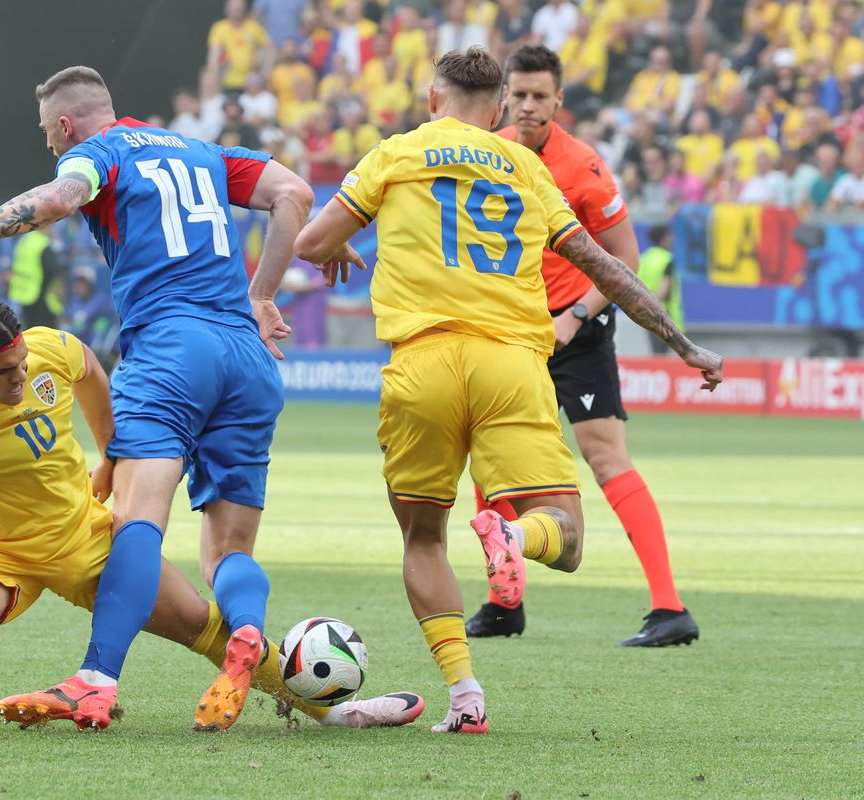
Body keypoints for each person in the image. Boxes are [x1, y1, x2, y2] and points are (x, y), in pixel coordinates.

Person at [0, 292, 424, 737]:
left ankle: (338, 712)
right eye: (4, 374)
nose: (20, 380)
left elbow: (90, 373)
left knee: (211, 631)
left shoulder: (45, 348)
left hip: (92, 544)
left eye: (21, 364)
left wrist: (111, 451)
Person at [293, 46, 722, 733]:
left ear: (434, 99)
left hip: (422, 363)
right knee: (570, 536)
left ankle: (466, 696)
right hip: (512, 365)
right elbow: (606, 268)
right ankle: (515, 538)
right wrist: (683, 343)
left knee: (423, 539)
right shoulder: (527, 165)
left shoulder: (396, 152)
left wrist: (334, 246)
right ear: (497, 110)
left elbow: (309, 241)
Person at [0, 65, 320, 732]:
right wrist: (261, 294)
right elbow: (294, 192)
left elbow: (59, 199)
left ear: (66, 125)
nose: (49, 146)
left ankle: (95, 678)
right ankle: (245, 630)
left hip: (172, 351)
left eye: (47, 135)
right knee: (228, 550)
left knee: (136, 521)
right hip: (247, 355)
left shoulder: (101, 152)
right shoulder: (202, 151)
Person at [466, 44, 703, 647]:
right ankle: (504, 601)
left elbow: (624, 261)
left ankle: (669, 608)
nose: (526, 106)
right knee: (487, 458)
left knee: (605, 458)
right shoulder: (485, 154)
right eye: (516, 95)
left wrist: (573, 316)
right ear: (502, 98)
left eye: (539, 96)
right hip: (512, 331)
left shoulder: (584, 167)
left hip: (576, 331)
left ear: (558, 99)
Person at [638, 225, 681, 356]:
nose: (672, 239)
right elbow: (664, 289)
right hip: (664, 313)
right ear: (664, 239)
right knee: (663, 354)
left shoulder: (645, 257)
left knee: (655, 351)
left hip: (647, 311)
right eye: (670, 236)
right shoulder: (667, 258)